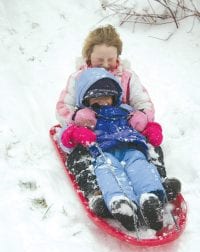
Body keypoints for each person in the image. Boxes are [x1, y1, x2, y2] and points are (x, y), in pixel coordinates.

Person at [56, 24, 181, 217]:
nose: (106, 64)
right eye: (100, 60)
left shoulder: (128, 77)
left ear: (118, 57)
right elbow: (63, 107)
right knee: (87, 158)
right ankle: (96, 192)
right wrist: (76, 118)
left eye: (110, 59)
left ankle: (157, 183)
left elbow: (143, 102)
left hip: (125, 127)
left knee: (147, 149)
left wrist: (142, 117)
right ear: (88, 57)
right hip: (93, 132)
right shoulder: (78, 78)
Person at [60, 68, 166, 231]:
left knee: (140, 166)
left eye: (106, 95)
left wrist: (151, 128)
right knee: (108, 171)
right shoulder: (85, 116)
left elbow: (142, 122)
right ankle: (121, 203)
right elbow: (64, 138)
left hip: (131, 147)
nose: (102, 100)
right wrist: (76, 132)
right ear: (86, 98)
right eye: (96, 96)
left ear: (114, 96)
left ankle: (150, 199)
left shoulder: (126, 110)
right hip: (104, 152)